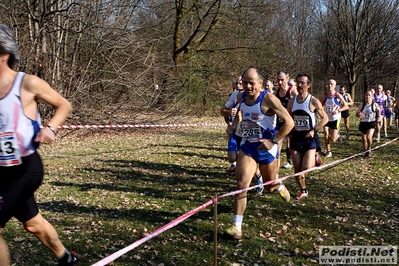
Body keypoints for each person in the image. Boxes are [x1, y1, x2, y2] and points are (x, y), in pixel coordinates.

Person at [0, 24, 78, 266]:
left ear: (4, 54)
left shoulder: (27, 83)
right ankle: (66, 259)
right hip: (1, 171)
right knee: (33, 224)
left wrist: (50, 128)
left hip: (25, 169)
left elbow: (64, 105)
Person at [225, 68, 294, 239]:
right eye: (245, 82)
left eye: (252, 83)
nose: (248, 86)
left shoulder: (269, 99)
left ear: (260, 84)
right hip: (248, 147)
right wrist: (234, 125)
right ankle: (237, 226)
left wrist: (274, 140)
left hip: (266, 150)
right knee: (241, 185)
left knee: (269, 187)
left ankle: (279, 186)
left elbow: (289, 123)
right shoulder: (241, 97)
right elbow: (237, 115)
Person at [287, 73, 328, 200]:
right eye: (298, 82)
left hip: (309, 138)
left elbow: (325, 118)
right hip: (296, 138)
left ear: (308, 85)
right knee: (297, 168)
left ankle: (316, 156)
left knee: (306, 168)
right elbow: (289, 119)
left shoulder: (313, 101)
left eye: (302, 83)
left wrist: (314, 130)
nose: (299, 85)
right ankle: (303, 190)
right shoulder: (291, 102)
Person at [220, 77, 264, 193]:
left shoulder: (256, 96)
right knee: (232, 158)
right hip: (237, 131)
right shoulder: (235, 95)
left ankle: (257, 176)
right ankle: (247, 171)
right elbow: (223, 111)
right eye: (239, 83)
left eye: (242, 83)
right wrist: (230, 119)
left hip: (250, 133)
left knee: (248, 158)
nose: (240, 85)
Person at [275, 71, 297, 169]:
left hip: (291, 123)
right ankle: (275, 175)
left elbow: (299, 105)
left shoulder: (292, 92)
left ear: (287, 80)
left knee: (291, 144)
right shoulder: (276, 93)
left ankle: (290, 161)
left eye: (282, 80)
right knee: (277, 148)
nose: (280, 83)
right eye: (278, 80)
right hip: (279, 124)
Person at [322, 79, 348, 157]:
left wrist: (338, 110)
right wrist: (322, 110)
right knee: (326, 134)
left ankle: (338, 136)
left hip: (335, 118)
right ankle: (328, 151)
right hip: (327, 118)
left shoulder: (337, 95)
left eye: (331, 84)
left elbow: (346, 106)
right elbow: (319, 105)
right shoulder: (325, 95)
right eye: (329, 84)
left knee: (333, 139)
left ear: (334, 86)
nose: (330, 85)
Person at [356, 90, 381, 156]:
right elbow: (357, 113)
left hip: (371, 123)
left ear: (372, 97)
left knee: (369, 137)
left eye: (369, 95)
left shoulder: (374, 104)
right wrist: (358, 114)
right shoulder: (362, 104)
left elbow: (379, 110)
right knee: (364, 139)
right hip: (363, 123)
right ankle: (365, 151)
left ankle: (369, 148)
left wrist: (378, 117)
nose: (367, 96)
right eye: (366, 95)